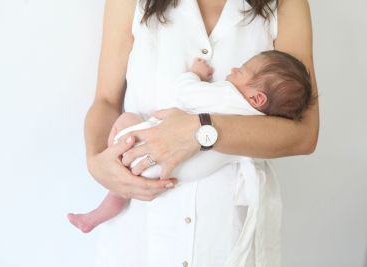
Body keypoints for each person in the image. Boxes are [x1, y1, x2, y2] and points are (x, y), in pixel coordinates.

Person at [85, 0, 319, 266]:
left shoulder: (287, 3)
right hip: (141, 223)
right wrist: (95, 162)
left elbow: (304, 133)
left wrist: (200, 130)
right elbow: (105, 100)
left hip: (226, 228)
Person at [68, 50, 314, 234]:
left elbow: (185, 93)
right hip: (174, 174)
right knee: (127, 181)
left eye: (243, 70)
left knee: (128, 119)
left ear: (257, 97)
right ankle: (108, 204)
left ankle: (104, 206)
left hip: (143, 147)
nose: (234, 69)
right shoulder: (261, 127)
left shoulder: (227, 94)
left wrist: (194, 75)